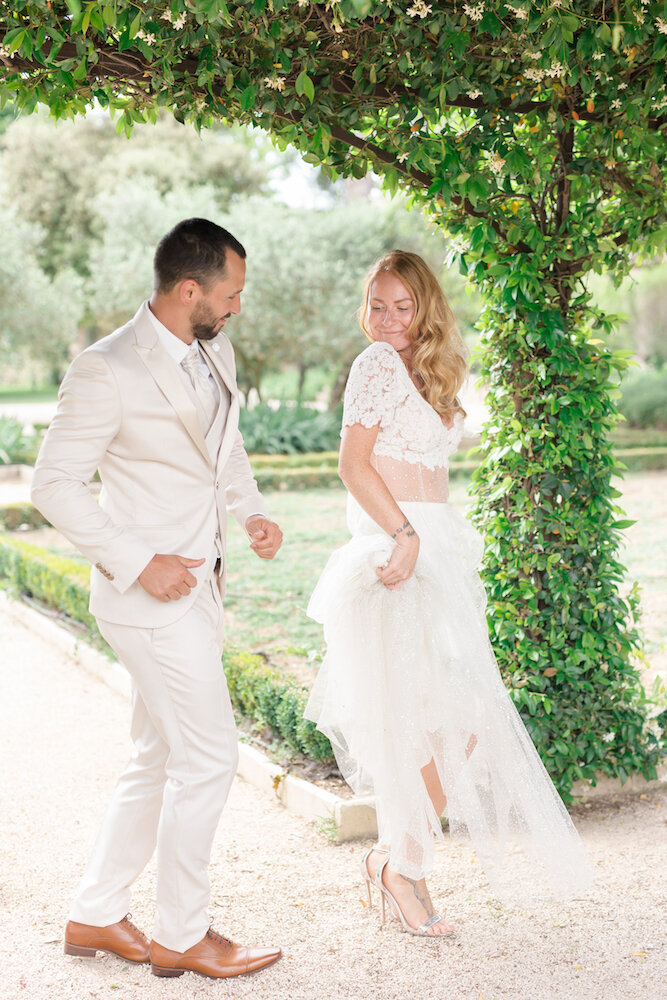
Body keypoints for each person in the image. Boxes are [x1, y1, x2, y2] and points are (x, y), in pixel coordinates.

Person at [305, 250, 592, 937]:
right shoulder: (374, 363)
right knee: (430, 722)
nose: (387, 320)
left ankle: (397, 859)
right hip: (398, 548)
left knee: (452, 723)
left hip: (436, 549)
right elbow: (351, 464)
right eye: (376, 304)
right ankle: (404, 866)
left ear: (426, 308)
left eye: (402, 306)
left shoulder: (426, 371)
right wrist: (403, 535)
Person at [31, 218, 283, 978]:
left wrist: (251, 510)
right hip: (147, 601)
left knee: (157, 755)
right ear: (188, 290)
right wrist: (140, 562)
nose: (237, 306)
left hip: (201, 589)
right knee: (209, 758)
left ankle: (97, 912)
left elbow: (223, 448)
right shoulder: (107, 368)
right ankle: (183, 934)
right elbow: (53, 485)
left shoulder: (216, 348)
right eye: (230, 294)